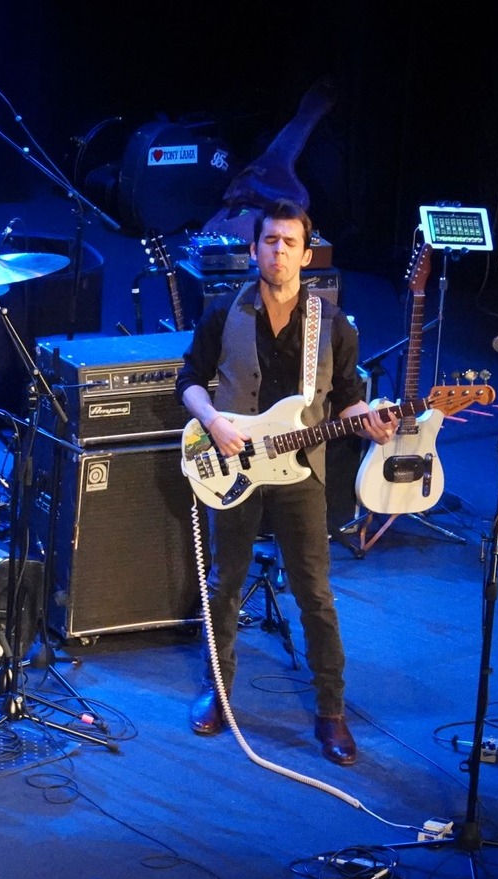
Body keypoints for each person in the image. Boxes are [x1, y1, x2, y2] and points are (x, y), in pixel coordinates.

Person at [176, 201, 397, 766]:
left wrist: (369, 418)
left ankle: (331, 711)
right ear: (254, 250)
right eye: (270, 241)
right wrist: (213, 420)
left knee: (315, 594)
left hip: (303, 470)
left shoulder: (334, 323)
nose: (279, 251)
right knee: (224, 583)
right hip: (233, 465)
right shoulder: (224, 313)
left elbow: (348, 395)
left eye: (289, 243)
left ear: (306, 252)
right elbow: (190, 380)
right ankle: (218, 692)